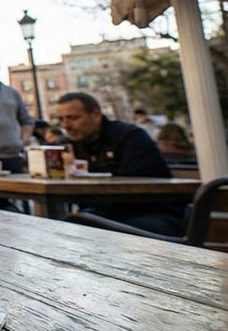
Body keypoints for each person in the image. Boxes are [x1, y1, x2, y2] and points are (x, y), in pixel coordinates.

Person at [56, 92, 180, 235]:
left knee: (79, 229)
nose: (66, 126)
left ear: (96, 115)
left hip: (151, 213)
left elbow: (134, 188)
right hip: (107, 214)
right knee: (64, 228)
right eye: (61, 119)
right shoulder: (69, 144)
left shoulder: (130, 137)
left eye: (73, 118)